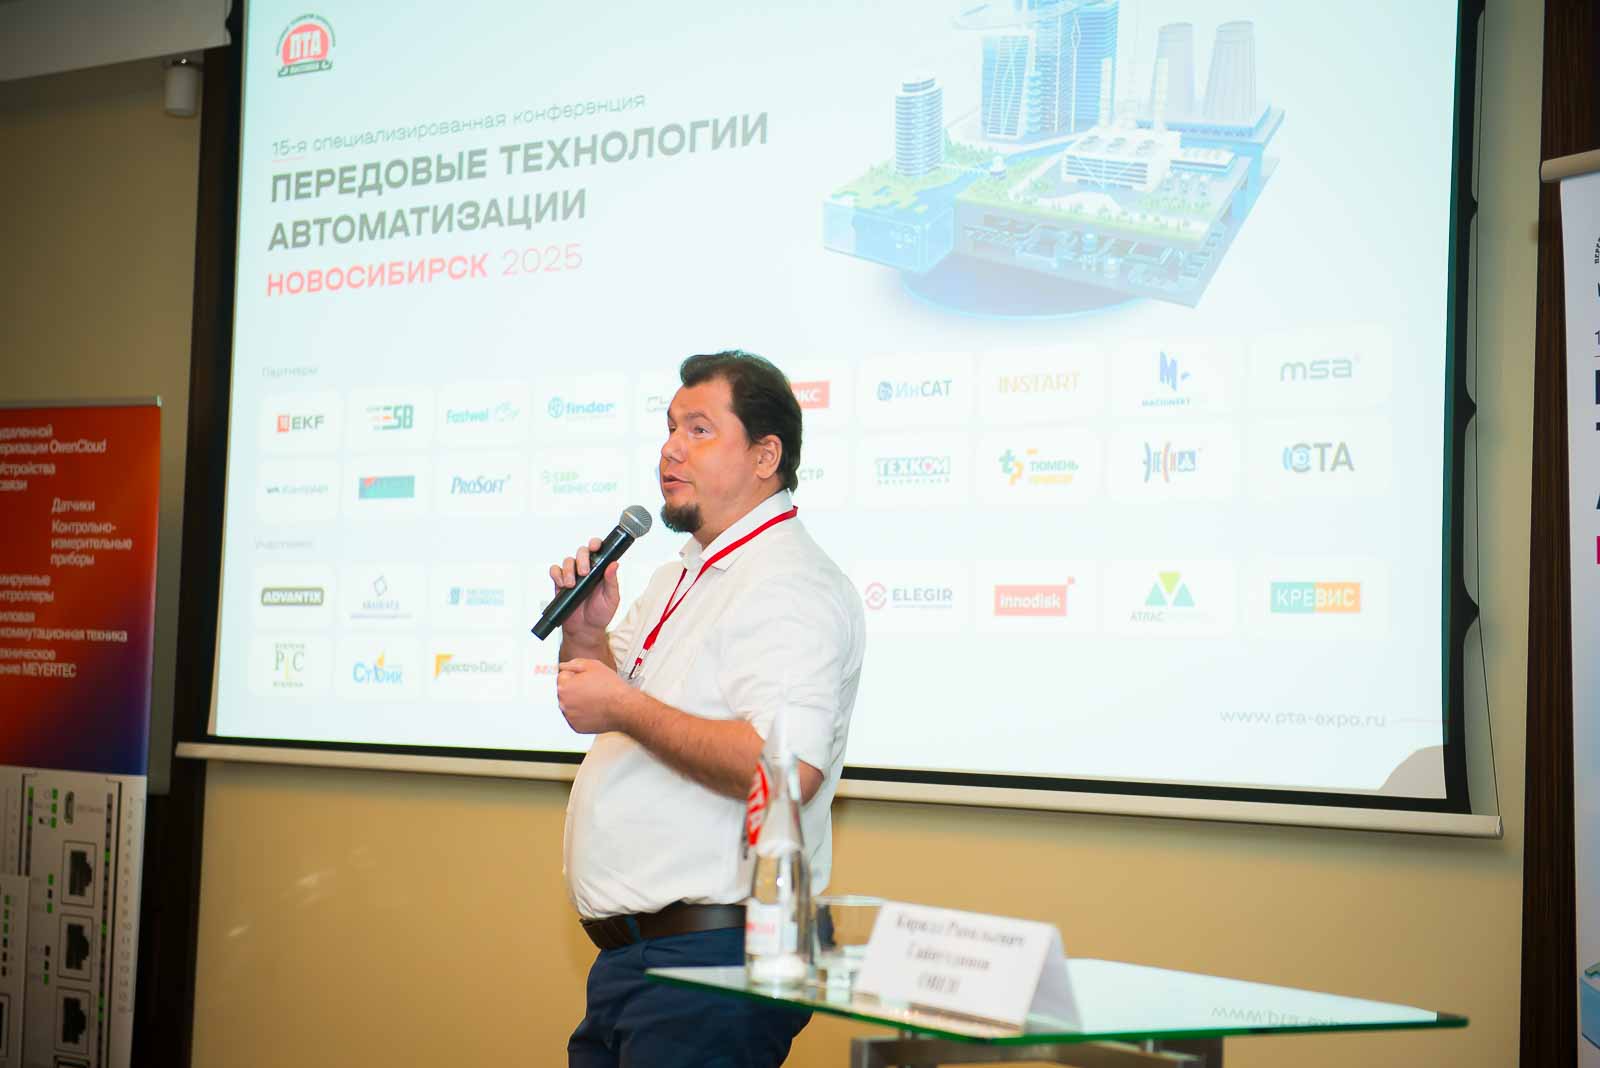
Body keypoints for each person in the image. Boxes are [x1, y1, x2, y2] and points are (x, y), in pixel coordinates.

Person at [551, 350, 866, 1068]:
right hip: (642, 964)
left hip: (713, 965)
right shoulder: (679, 574)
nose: (670, 449)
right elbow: (597, 706)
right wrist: (587, 632)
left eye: (698, 429)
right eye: (669, 428)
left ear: (765, 456)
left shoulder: (788, 584)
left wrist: (624, 705)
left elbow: (785, 771)